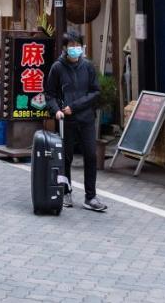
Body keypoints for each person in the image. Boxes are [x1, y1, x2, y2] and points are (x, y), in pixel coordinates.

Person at [46, 30, 106, 212]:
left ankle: (91, 197)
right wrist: (56, 110)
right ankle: (66, 192)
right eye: (71, 45)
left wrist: (76, 106)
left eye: (78, 45)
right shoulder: (57, 68)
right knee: (66, 157)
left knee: (90, 155)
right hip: (66, 121)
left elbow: (95, 92)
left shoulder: (88, 66)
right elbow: (49, 94)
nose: (75, 49)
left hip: (86, 118)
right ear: (64, 48)